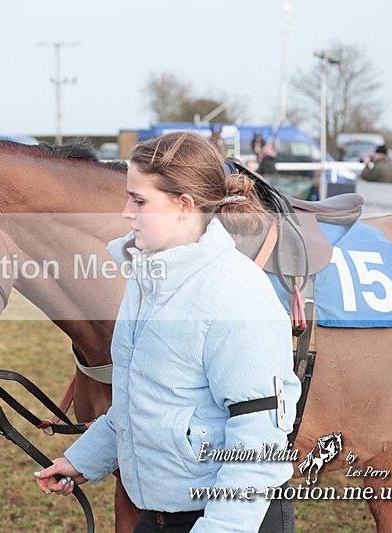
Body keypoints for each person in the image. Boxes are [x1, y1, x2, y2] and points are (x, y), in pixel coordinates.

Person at [35, 132, 301, 532]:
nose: (126, 212)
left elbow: (259, 439)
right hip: (159, 515)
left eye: (139, 201)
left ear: (184, 206)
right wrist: (82, 460)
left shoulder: (237, 294)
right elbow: (139, 402)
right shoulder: (146, 282)